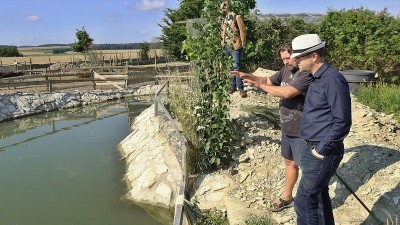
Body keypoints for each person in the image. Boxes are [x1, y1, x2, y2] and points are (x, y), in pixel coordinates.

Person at [231, 43, 312, 212]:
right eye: (283, 59)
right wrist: (251, 77)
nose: (285, 62)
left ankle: (310, 202)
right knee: (289, 162)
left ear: (297, 54)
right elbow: (267, 80)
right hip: (287, 129)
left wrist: (260, 86)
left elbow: (287, 92)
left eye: (288, 57)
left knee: (308, 168)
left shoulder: (305, 74)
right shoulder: (285, 70)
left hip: (302, 131)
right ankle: (287, 197)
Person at [291, 34, 352, 225]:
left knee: (304, 200)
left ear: (314, 56)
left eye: (299, 57)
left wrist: (321, 150)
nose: (295, 61)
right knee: (318, 197)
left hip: (321, 151)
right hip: (310, 146)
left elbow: (342, 121)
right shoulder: (314, 78)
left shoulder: (333, 80)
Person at [220, 0, 247, 98]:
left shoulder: (236, 17)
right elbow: (222, 33)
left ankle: (241, 88)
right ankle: (232, 86)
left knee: (236, 67)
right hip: (226, 46)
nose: (223, 6)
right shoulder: (224, 19)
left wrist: (243, 44)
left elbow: (242, 30)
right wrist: (222, 43)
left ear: (229, 5)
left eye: (225, 4)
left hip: (235, 46)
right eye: (222, 4)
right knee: (230, 68)